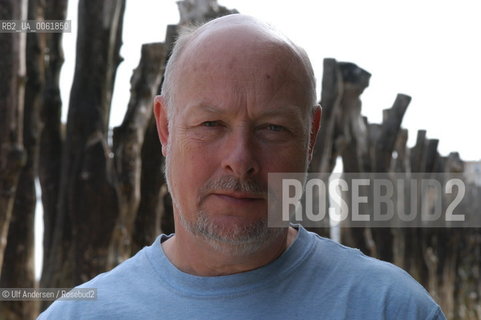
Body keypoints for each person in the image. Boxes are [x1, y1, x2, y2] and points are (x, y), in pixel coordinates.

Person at [39, 14, 446, 319]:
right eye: (211, 124)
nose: (240, 160)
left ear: (310, 138)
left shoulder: (390, 308)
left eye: (272, 128)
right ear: (165, 128)